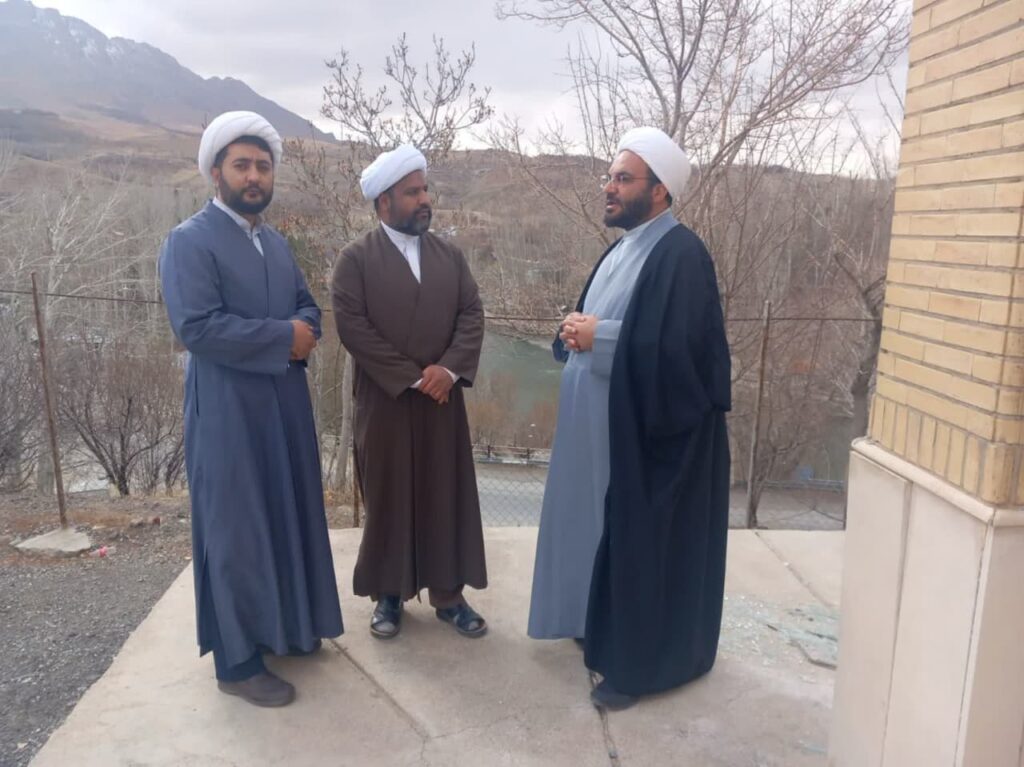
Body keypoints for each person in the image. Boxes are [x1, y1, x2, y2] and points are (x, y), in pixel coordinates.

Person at [528, 127, 731, 710]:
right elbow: (606, 326)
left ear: (659, 190)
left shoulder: (682, 255)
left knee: (637, 541)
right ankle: (594, 621)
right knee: (592, 530)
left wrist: (602, 336)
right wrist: (574, 329)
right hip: (598, 429)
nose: (609, 188)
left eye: (623, 178)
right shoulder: (620, 249)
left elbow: (686, 355)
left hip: (646, 438)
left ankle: (637, 666)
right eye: (609, 177)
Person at [159, 111, 343, 707]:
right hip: (228, 411)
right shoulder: (189, 241)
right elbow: (197, 327)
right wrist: (285, 338)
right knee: (236, 527)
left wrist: (303, 328)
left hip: (282, 404)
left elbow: (306, 306)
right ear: (216, 173)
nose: (254, 176)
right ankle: (237, 663)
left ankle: (285, 629)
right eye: (242, 165)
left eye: (263, 166)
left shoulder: (275, 242)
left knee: (283, 512)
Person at [331, 144, 488, 640]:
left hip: (443, 402)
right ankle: (389, 596)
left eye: (424, 190)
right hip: (387, 402)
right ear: (384, 202)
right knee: (389, 497)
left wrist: (449, 370)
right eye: (412, 192)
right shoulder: (355, 260)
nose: (424, 200)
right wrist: (414, 377)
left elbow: (471, 313)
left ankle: (449, 596)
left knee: (445, 494)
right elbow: (353, 329)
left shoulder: (449, 255)